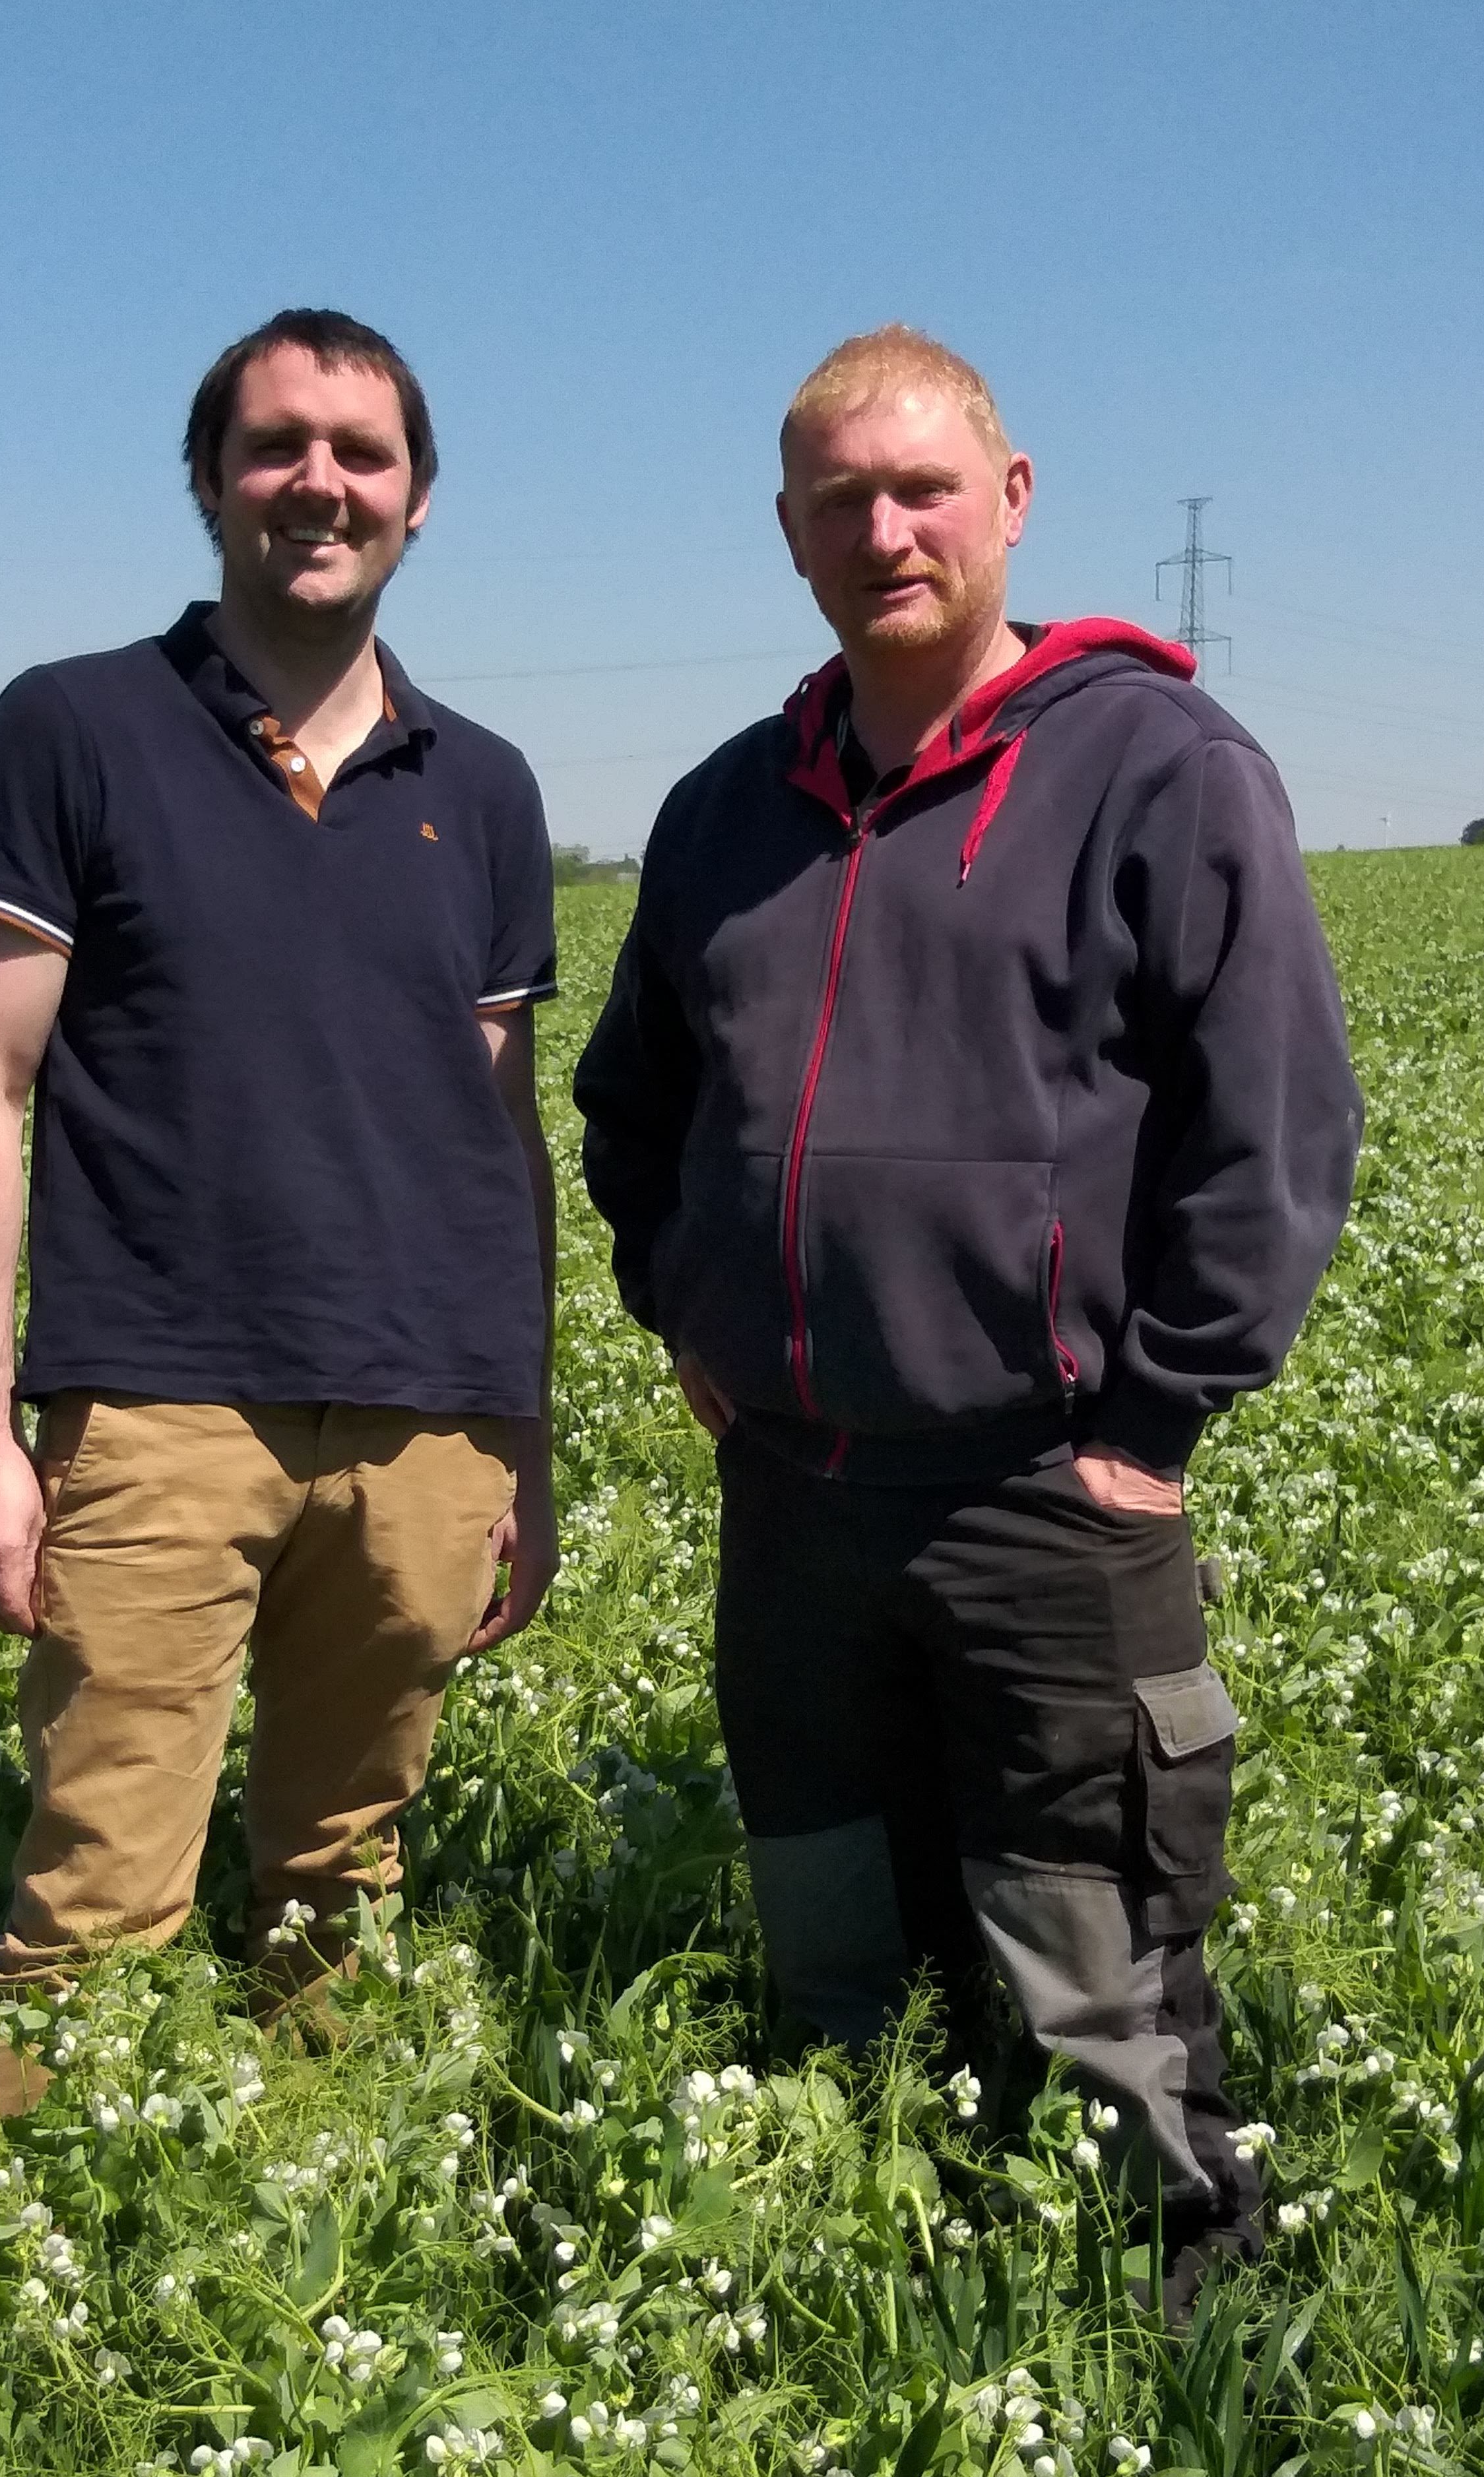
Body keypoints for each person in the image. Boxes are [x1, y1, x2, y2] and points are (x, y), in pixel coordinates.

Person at [574, 326, 1361, 2317]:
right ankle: (867, 2275)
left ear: (1013, 502)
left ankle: (1191, 2326)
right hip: (799, 1490)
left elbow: (1269, 1130)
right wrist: (690, 1304)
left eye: (924, 487)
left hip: (1045, 1486)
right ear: (789, 534)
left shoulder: (1159, 770)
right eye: (842, 499)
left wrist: (1152, 1426)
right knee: (829, 1899)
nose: (886, 528)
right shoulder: (725, 810)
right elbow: (633, 1101)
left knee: (1094, 1922)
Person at [0, 308, 559, 2098]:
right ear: (210, 482)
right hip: (158, 1401)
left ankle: (316, 2226)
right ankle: (37, 2293)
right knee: (98, 1903)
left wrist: (530, 1443)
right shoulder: (76, 729)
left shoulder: (484, 788)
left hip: (426, 1423)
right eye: (277, 447)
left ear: (420, 502)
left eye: (361, 454)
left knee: (344, 1883)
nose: (319, 484)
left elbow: (501, 1144)